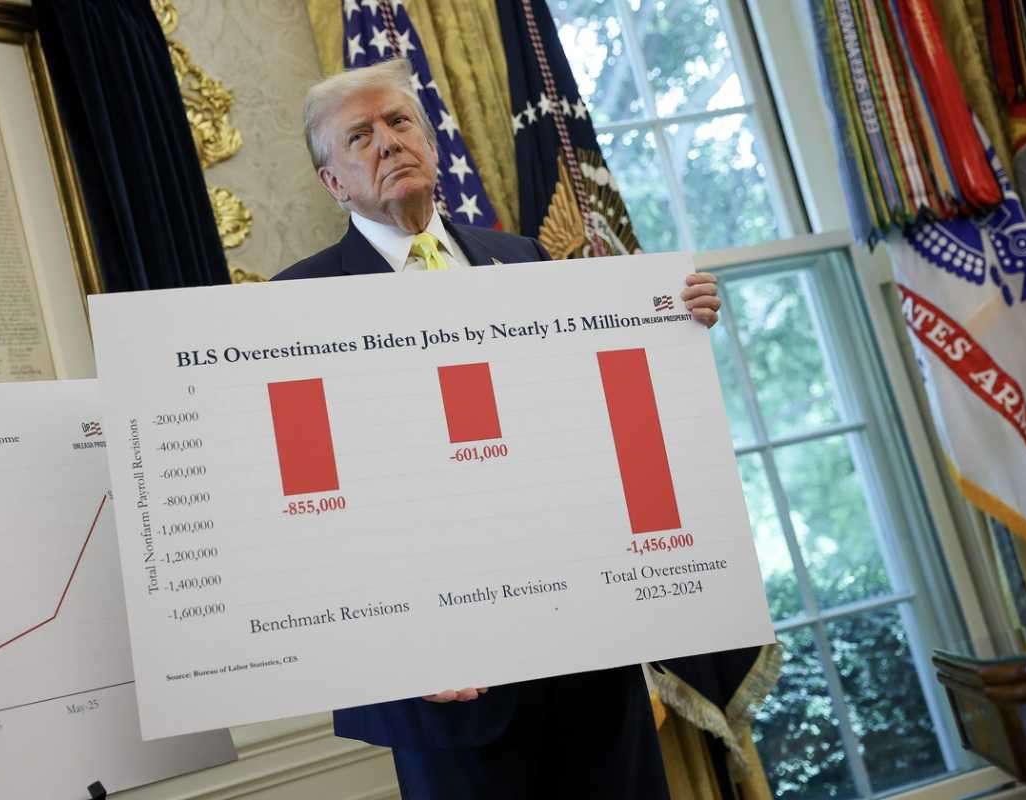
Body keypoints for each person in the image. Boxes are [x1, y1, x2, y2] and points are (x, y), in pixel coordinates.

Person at [272, 59, 721, 800]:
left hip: (590, 658)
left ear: (429, 141)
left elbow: (589, 418)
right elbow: (309, 509)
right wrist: (390, 646)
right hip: (447, 688)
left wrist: (672, 325)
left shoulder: (523, 259)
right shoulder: (290, 304)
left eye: (399, 121)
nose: (387, 142)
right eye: (359, 136)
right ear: (333, 182)